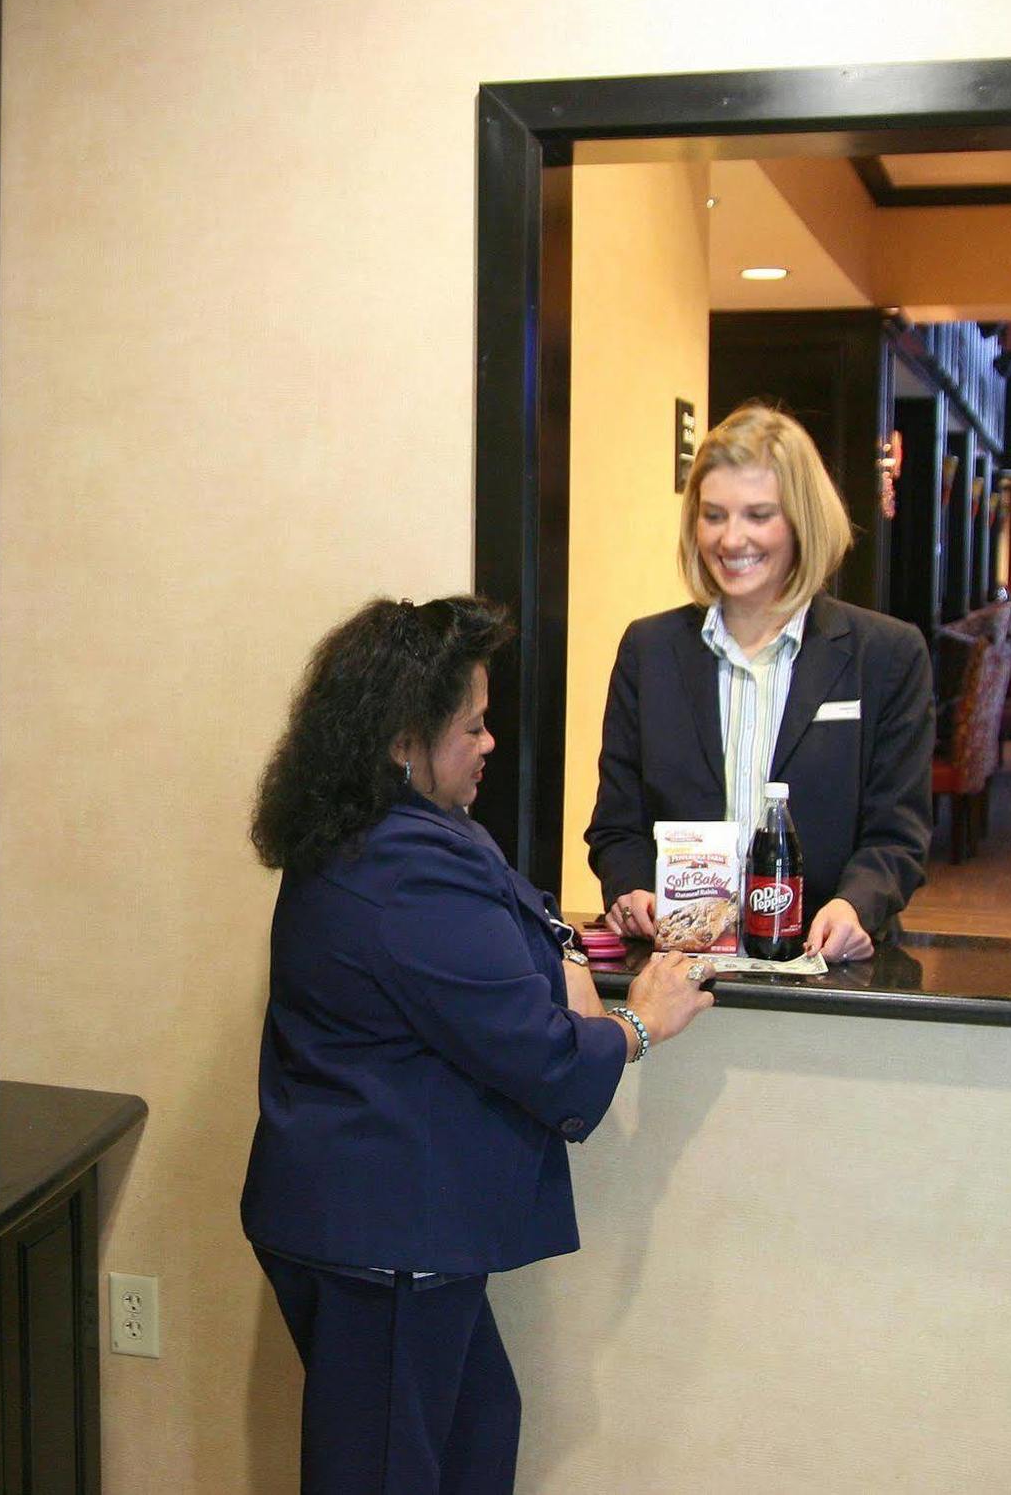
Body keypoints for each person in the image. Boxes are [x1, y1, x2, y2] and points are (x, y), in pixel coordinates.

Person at [241, 594, 714, 1495]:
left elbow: (526, 926)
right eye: (472, 726)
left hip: (389, 1228)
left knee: (477, 1434)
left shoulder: (413, 835)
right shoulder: (399, 869)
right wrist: (641, 1019)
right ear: (399, 742)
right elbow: (541, 1056)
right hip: (381, 1239)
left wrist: (570, 955)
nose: (489, 743)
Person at [586, 403, 935, 961]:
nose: (731, 539)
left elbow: (898, 836)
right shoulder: (649, 650)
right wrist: (630, 890)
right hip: (678, 969)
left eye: (758, 514)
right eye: (714, 515)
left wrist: (854, 907)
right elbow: (616, 827)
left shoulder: (886, 654)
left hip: (825, 969)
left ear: (802, 521)